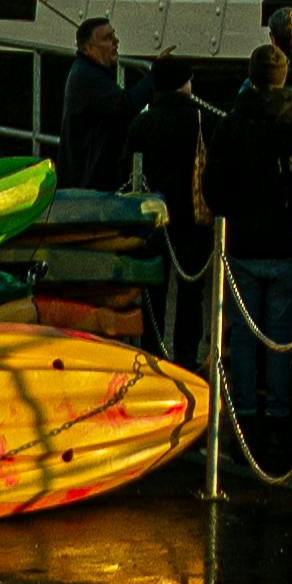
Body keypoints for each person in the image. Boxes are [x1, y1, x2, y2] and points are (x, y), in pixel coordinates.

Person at [208, 40, 292, 438]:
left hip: (242, 240)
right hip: (288, 240)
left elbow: (214, 182)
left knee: (242, 329)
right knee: (281, 331)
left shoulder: (231, 123)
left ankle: (243, 406)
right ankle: (279, 407)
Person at [131, 52, 212, 366]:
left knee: (154, 289)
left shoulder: (142, 122)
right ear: (185, 84)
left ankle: (152, 351)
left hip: (152, 216)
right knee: (191, 293)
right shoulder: (204, 119)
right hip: (194, 216)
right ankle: (186, 357)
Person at [54, 11, 133, 192]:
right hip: (87, 181)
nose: (115, 42)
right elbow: (125, 104)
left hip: (90, 174)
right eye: (107, 38)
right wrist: (155, 76)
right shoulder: (87, 77)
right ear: (87, 48)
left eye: (114, 36)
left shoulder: (88, 72)